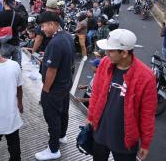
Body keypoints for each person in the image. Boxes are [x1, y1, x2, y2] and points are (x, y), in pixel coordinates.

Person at [87, 29, 157, 161]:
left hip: (125, 139)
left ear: (124, 53)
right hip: (101, 131)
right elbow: (96, 92)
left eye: (111, 51)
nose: (106, 54)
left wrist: (146, 143)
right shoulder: (105, 63)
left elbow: (147, 114)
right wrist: (91, 116)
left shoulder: (146, 77)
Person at [35, 12, 75, 161]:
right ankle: (61, 136)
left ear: (52, 24)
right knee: (63, 112)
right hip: (65, 84)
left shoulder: (55, 42)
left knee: (52, 117)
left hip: (54, 88)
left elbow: (52, 70)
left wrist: (45, 90)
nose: (42, 29)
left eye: (43, 26)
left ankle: (53, 149)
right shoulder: (67, 37)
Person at [0, 0, 26, 66]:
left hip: (4, 44)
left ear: (4, 3)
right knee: (17, 65)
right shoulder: (17, 15)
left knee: (3, 65)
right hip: (16, 43)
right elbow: (22, 28)